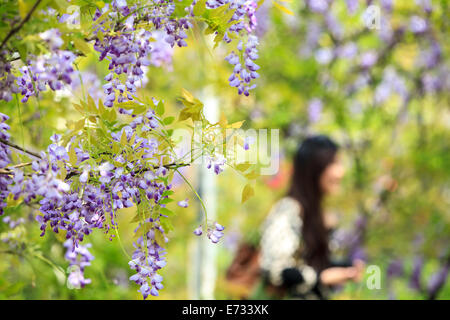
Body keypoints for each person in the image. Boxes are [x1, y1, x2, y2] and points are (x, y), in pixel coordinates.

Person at [259, 135, 365, 299]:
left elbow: (307, 263)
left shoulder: (316, 214)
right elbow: (274, 269)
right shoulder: (288, 210)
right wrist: (320, 278)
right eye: (334, 163)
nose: (340, 172)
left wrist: (345, 268)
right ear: (314, 169)